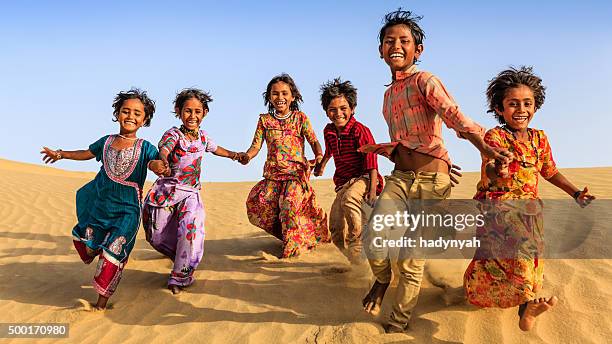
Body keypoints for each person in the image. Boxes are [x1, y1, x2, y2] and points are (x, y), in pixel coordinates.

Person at [358, 9, 512, 333]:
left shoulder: (425, 81)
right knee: (373, 237)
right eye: (389, 41)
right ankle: (382, 280)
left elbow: (454, 116)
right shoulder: (387, 97)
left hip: (432, 181)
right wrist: (384, 149)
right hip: (400, 179)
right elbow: (407, 140)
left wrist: (485, 146)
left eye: (404, 40)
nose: (396, 46)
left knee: (412, 258)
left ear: (418, 50)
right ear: (380, 50)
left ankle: (397, 324)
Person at [464, 66, 595, 331]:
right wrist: (498, 168)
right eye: (513, 104)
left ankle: (480, 292)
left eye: (527, 103)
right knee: (521, 250)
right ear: (500, 109)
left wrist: (575, 194)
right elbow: (490, 165)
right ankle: (527, 306)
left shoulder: (539, 139)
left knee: (507, 260)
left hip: (530, 210)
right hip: (499, 206)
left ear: (536, 107)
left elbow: (550, 171)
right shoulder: (496, 136)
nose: (521, 109)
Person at [41, 89, 165, 309]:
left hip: (127, 211)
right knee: (87, 243)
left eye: (137, 113)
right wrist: (61, 154)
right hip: (101, 207)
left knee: (113, 254)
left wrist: (158, 166)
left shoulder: (146, 147)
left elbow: (154, 163)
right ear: (117, 113)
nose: (130, 116)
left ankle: (100, 303)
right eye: (125, 111)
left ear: (144, 120)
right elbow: (86, 153)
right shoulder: (106, 141)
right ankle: (96, 249)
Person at [143, 88, 244, 294]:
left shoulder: (204, 138)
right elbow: (164, 148)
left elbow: (218, 150)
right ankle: (181, 257)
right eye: (188, 111)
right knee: (156, 235)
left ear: (204, 113)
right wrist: (161, 160)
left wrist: (236, 155)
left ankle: (180, 276)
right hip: (168, 192)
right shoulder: (173, 134)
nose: (193, 116)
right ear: (178, 111)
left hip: (190, 194)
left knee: (191, 231)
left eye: (198, 111)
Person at [239, 73, 330, 258]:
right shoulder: (264, 121)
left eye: (284, 93)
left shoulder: (300, 118)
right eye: (275, 94)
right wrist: (247, 156)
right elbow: (256, 146)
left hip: (296, 174)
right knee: (259, 205)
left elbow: (313, 140)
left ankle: (291, 253)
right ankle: (294, 236)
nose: (280, 98)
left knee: (289, 205)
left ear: (292, 97)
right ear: (269, 97)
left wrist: (319, 155)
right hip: (274, 174)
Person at [313, 78, 383, 264]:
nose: (338, 113)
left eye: (343, 108)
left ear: (352, 108)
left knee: (350, 199)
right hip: (343, 182)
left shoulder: (360, 131)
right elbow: (329, 151)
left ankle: (357, 242)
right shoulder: (328, 131)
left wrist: (372, 191)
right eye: (333, 109)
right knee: (335, 228)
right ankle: (355, 263)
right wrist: (321, 165)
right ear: (327, 112)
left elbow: (372, 160)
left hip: (365, 178)